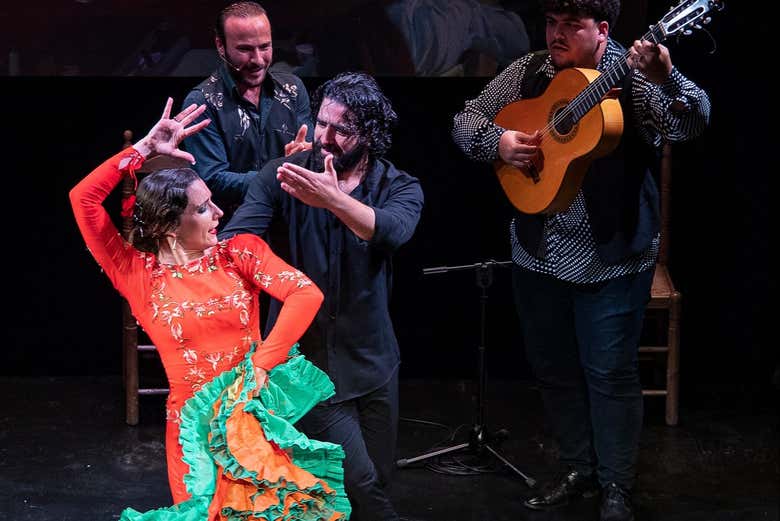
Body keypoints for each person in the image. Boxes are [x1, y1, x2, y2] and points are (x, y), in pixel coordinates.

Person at [451, 1, 710, 520]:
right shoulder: (529, 72)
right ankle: (577, 468)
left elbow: (691, 123)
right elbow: (464, 120)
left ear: (603, 31)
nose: (557, 34)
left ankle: (616, 484)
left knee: (610, 374)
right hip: (537, 252)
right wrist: (498, 141)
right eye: (551, 23)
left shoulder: (633, 75)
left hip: (611, 259)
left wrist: (667, 77)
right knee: (555, 369)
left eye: (572, 25)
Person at [70, 98, 349, 520]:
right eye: (202, 208)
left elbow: (305, 294)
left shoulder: (239, 252)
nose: (219, 212)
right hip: (191, 434)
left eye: (212, 201)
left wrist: (262, 363)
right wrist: (143, 149)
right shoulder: (134, 273)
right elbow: (83, 199)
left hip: (249, 421)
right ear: (167, 226)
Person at [220, 72, 424, 521]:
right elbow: (236, 241)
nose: (324, 137)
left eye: (341, 129)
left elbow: (391, 231)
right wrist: (286, 284)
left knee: (378, 478)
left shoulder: (400, 185)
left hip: (372, 360)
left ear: (370, 134)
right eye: (321, 122)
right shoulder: (284, 175)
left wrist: (333, 200)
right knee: (359, 483)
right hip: (307, 367)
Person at [183, 1, 313, 226]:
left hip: (293, 222)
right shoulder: (202, 102)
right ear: (220, 45)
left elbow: (311, 159)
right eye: (245, 49)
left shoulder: (293, 89)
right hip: (235, 228)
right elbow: (213, 179)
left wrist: (309, 157)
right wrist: (282, 174)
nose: (258, 60)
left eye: (264, 47)